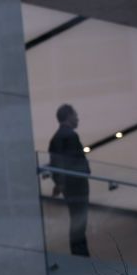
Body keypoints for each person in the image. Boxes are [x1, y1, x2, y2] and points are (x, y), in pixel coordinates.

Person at [48, 103, 90, 257]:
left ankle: (79, 251)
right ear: (68, 116)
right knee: (79, 220)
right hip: (77, 186)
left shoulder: (56, 138)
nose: (77, 118)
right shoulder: (70, 136)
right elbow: (72, 162)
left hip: (70, 187)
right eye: (75, 114)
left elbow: (55, 164)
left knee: (76, 218)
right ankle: (80, 252)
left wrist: (59, 184)